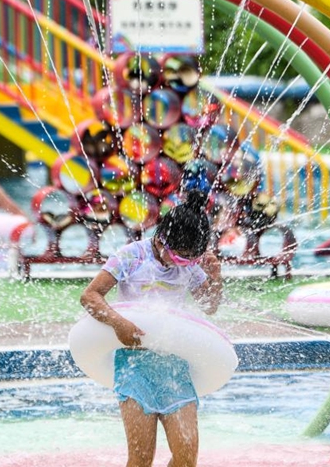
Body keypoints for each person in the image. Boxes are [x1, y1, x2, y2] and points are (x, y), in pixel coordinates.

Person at [79, 190, 222, 467]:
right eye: (180, 258)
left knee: (186, 458)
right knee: (141, 458)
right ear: (161, 239)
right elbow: (90, 296)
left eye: (191, 260)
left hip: (173, 368)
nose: (184, 265)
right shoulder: (132, 256)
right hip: (134, 367)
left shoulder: (190, 264)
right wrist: (118, 323)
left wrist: (215, 279)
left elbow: (209, 306)